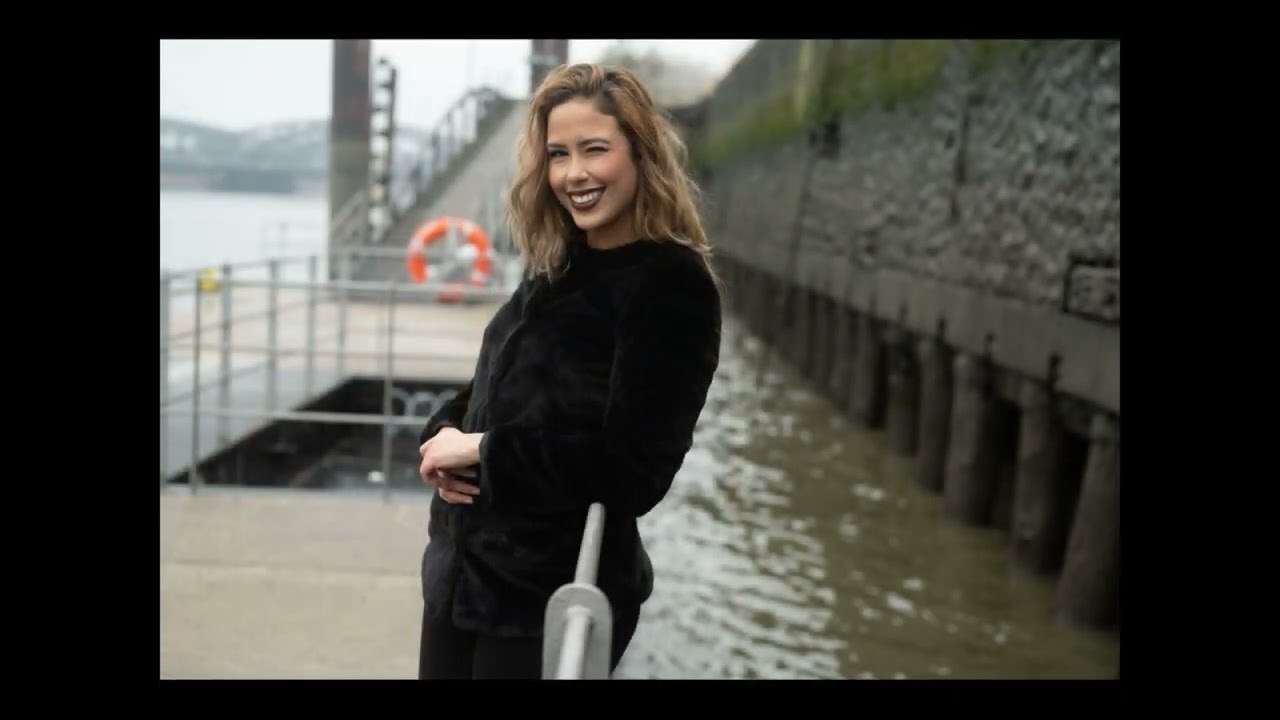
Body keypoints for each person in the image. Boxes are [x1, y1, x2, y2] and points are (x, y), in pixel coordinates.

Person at [414, 62, 723, 680]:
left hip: (545, 596)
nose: (574, 173)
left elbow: (635, 468)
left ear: (640, 154)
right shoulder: (557, 268)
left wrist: (483, 450)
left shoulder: (669, 286)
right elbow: (490, 391)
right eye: (558, 154)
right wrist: (443, 437)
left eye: (594, 150)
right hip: (459, 582)